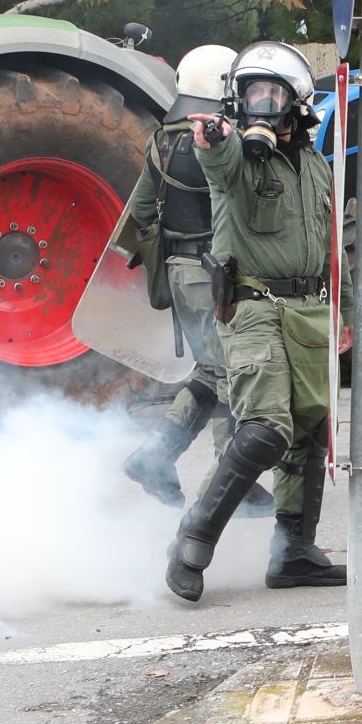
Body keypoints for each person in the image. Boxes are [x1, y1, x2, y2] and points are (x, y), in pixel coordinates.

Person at [164, 42, 344, 602]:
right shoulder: (236, 156)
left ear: (297, 101)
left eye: (272, 93)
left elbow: (335, 243)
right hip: (253, 308)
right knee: (266, 429)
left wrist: (346, 313)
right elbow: (218, 163)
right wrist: (214, 140)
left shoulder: (315, 164)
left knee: (311, 428)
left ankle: (293, 551)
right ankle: (193, 538)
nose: (260, 104)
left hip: (312, 310)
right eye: (250, 93)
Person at [118, 44, 271, 516]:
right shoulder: (221, 142)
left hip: (181, 272)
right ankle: (234, 478)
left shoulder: (162, 139)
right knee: (231, 374)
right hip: (217, 275)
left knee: (209, 367)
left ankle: (154, 456)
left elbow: (140, 212)